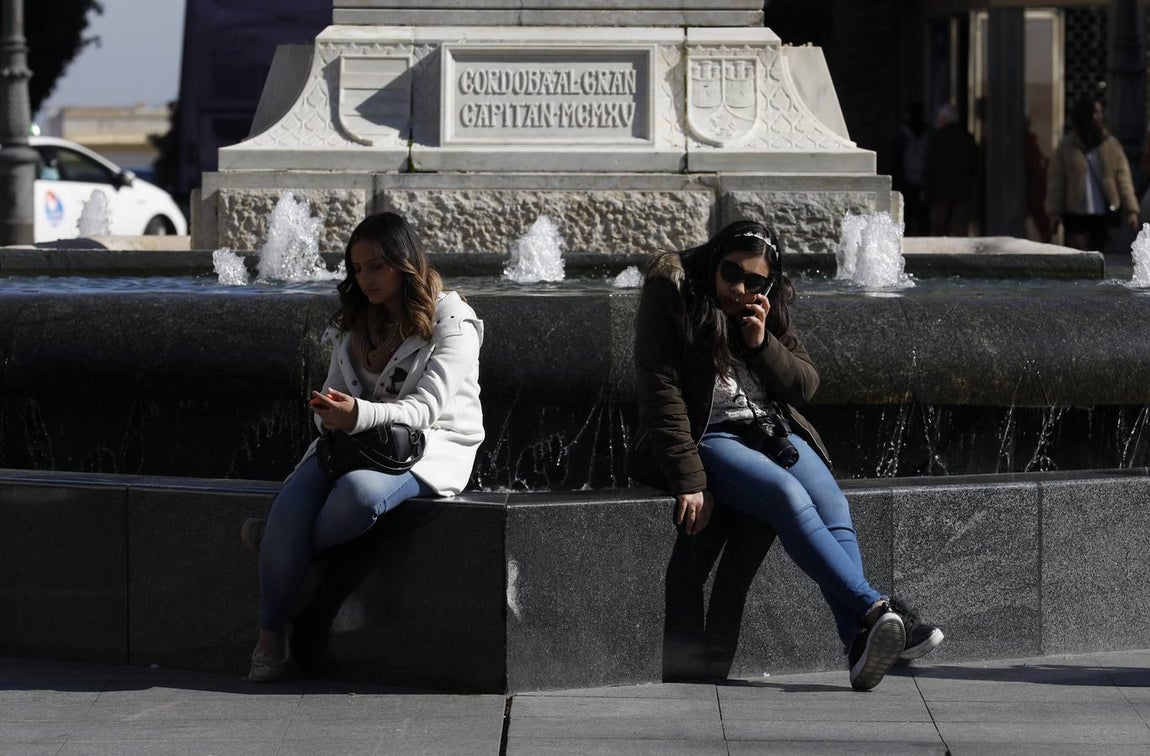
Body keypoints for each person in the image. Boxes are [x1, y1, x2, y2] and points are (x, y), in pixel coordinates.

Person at [627, 220, 943, 691]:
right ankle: (876, 609)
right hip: (708, 436)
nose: (739, 288)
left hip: (768, 430)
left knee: (833, 504)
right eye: (731, 273)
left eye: (753, 281)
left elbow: (804, 384)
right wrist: (689, 480)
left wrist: (760, 344)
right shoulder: (671, 292)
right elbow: (660, 388)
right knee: (786, 493)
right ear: (715, 260)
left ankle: (858, 641)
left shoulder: (762, 305)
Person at [242, 211, 485, 682]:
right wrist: (327, 410)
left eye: (377, 265)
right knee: (292, 506)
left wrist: (358, 414)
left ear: (404, 262)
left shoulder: (452, 321)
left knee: (359, 496)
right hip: (350, 442)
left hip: (425, 447)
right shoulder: (357, 322)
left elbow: (424, 411)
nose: (366, 278)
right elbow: (334, 391)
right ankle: (270, 637)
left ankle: (278, 545)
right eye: (357, 268)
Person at [1047, 97, 1139, 252]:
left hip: (1103, 214)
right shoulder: (1066, 147)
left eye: (1099, 112)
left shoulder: (1110, 145)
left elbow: (1123, 179)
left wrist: (1131, 209)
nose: (1098, 117)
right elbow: (1057, 181)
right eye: (1094, 112)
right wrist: (1054, 212)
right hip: (1075, 213)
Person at [922, 103, 979, 236]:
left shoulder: (937, 138)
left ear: (945, 119)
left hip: (940, 193)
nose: (938, 121)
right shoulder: (967, 138)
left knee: (939, 230)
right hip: (963, 192)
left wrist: (925, 187)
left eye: (940, 118)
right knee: (959, 229)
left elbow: (930, 165)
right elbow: (975, 166)